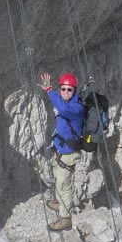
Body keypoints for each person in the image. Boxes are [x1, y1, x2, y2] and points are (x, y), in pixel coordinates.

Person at [38, 72, 85, 231]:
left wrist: (50, 90)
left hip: (69, 153)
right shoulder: (69, 103)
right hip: (62, 148)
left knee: (64, 185)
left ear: (75, 91)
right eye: (63, 89)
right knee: (59, 179)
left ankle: (66, 218)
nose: (66, 92)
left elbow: (62, 108)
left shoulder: (76, 108)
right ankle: (60, 203)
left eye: (69, 90)